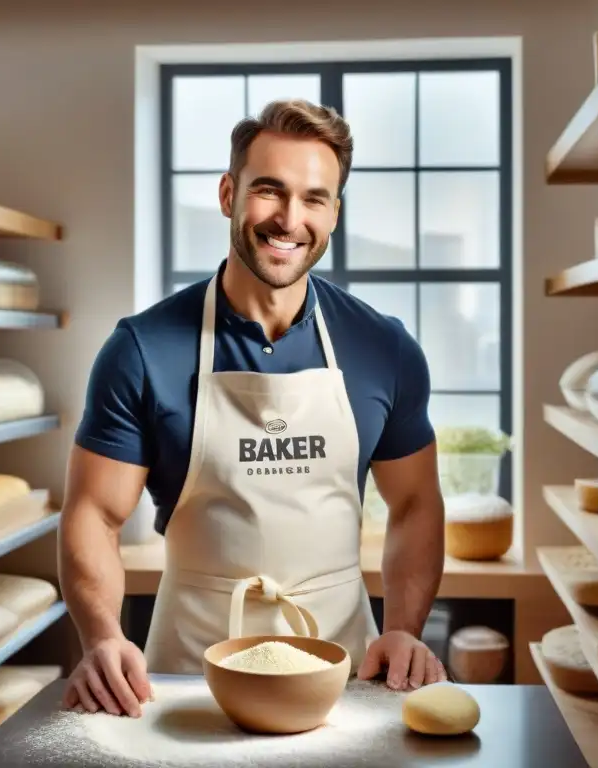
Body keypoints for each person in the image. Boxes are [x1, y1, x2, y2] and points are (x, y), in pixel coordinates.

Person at [59, 98, 447, 718]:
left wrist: (403, 627)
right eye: (270, 191)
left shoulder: (384, 348)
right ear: (227, 194)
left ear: (334, 213)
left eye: (315, 198)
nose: (290, 219)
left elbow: (416, 502)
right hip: (187, 680)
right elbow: (93, 515)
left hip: (344, 675)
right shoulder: (141, 350)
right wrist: (103, 635)